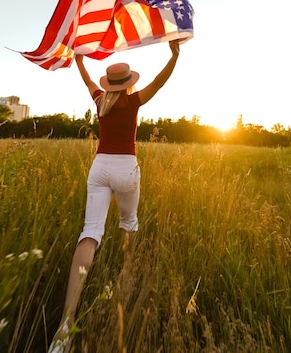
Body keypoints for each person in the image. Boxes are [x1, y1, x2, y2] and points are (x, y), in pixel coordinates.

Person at [49, 40, 181, 352]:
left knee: (90, 233)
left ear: (109, 83)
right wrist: (174, 56)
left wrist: (80, 61)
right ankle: (127, 268)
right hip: (126, 168)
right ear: (128, 83)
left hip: (100, 167)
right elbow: (160, 83)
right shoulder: (132, 101)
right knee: (129, 222)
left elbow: (87, 79)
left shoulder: (99, 100)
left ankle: (65, 326)